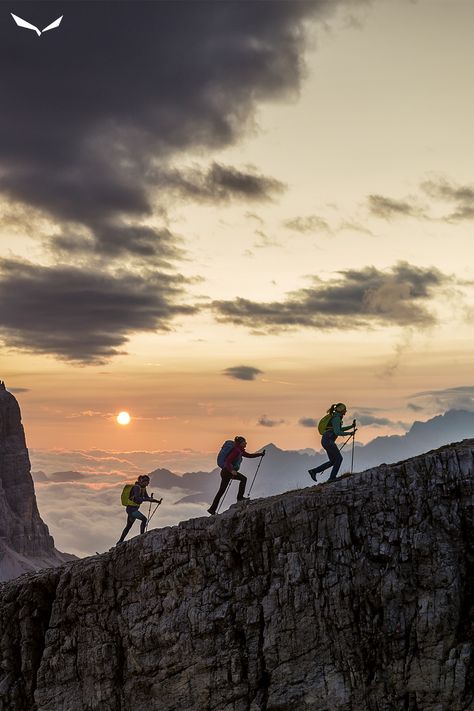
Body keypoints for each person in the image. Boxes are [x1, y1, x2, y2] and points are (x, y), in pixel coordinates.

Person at [208, 436, 265, 515]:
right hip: (227, 472)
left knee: (221, 491)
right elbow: (228, 461)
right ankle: (240, 498)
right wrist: (232, 470)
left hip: (226, 472)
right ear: (241, 443)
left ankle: (212, 509)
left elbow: (249, 455)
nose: (246, 443)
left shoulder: (240, 450)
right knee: (243, 479)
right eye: (244, 442)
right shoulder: (236, 451)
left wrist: (260, 454)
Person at [308, 403, 357, 482]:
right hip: (329, 441)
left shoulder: (336, 417)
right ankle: (332, 478)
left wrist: (351, 426)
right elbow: (338, 432)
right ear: (341, 410)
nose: (345, 412)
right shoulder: (336, 418)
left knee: (333, 461)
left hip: (326, 441)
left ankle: (313, 471)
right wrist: (350, 433)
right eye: (345, 410)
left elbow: (339, 429)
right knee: (339, 459)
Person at [117, 474, 155, 543]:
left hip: (133, 509)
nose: (148, 483)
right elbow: (138, 498)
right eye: (147, 482)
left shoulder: (143, 488)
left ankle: (120, 541)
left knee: (128, 526)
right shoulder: (136, 488)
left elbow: (146, 497)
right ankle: (142, 536)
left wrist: (155, 501)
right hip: (131, 509)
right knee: (144, 519)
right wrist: (148, 499)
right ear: (143, 481)